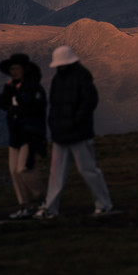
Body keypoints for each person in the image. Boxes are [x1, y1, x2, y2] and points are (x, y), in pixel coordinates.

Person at [34, 45, 114, 218]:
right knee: (61, 173)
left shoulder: (76, 77)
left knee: (85, 170)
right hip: (67, 133)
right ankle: (51, 208)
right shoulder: (69, 78)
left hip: (76, 133)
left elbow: (87, 102)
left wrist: (67, 123)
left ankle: (103, 204)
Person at [0, 53, 47, 219]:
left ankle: (43, 199)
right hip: (16, 135)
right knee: (14, 171)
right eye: (11, 69)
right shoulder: (12, 87)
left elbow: (35, 109)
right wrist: (9, 90)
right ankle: (24, 205)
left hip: (29, 134)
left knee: (24, 169)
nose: (13, 72)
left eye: (16, 68)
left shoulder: (33, 88)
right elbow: (2, 104)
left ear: (25, 69)